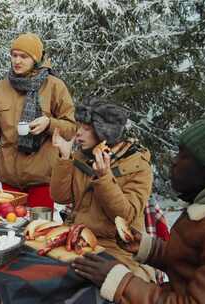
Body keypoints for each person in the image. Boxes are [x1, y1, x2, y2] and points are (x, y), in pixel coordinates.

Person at [72, 105, 205, 303]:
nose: (174, 161)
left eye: (185, 156)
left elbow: (125, 212)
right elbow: (191, 261)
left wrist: (120, 282)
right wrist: (149, 248)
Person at [51, 99, 154, 282]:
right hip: (77, 238)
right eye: (79, 126)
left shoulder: (138, 166)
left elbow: (126, 216)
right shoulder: (83, 155)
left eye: (87, 128)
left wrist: (104, 177)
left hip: (114, 247)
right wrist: (65, 158)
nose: (79, 133)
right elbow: (60, 196)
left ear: (105, 132)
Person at [0, 33, 76, 209]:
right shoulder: (0, 89)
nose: (17, 61)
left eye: (24, 56)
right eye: (14, 55)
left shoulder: (54, 86)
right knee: (7, 231)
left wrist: (49, 123)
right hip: (9, 177)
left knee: (37, 231)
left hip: (41, 178)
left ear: (35, 59)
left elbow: (71, 127)